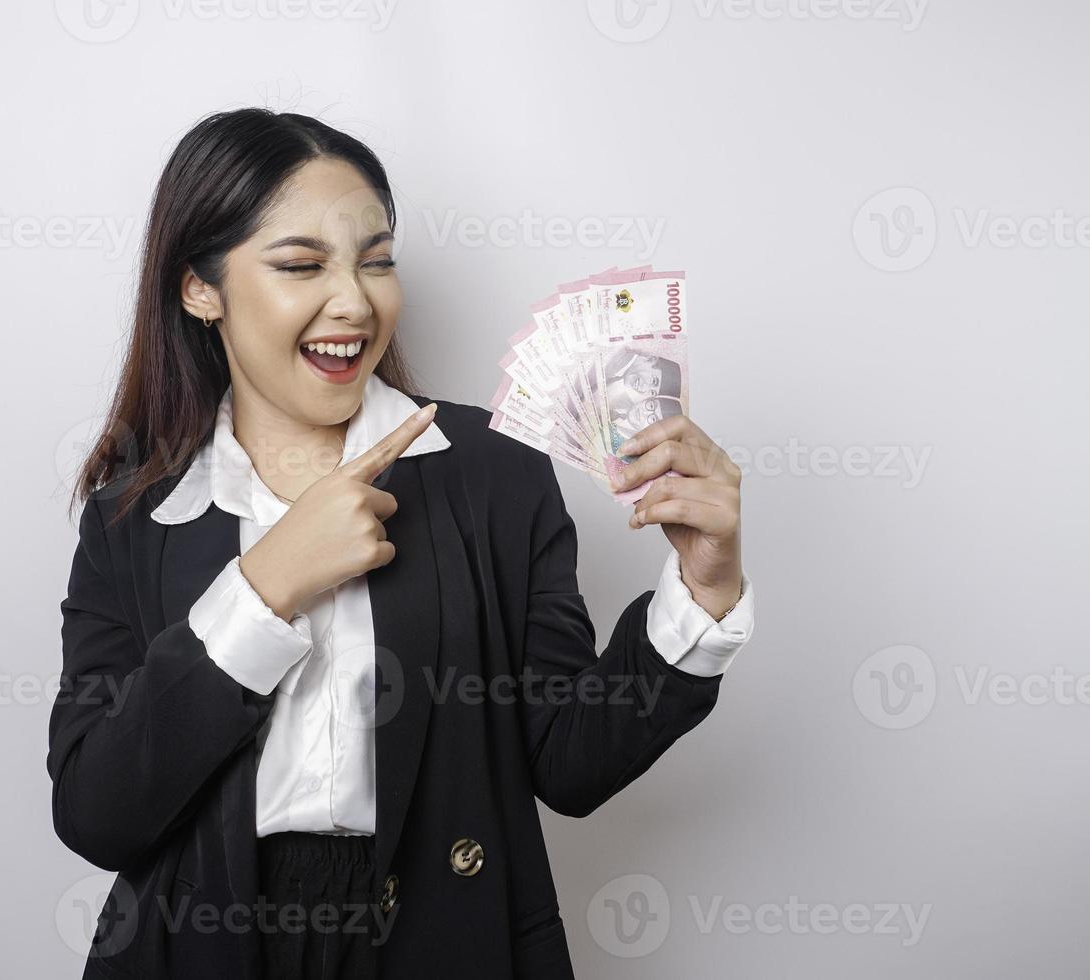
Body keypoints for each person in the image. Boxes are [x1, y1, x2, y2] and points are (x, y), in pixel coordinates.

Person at [48, 107, 755, 980]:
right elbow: (97, 813)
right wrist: (267, 586)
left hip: (442, 937)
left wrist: (704, 589)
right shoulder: (134, 511)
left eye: (376, 260)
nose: (354, 301)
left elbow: (570, 763)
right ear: (201, 289)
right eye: (301, 264)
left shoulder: (496, 474)